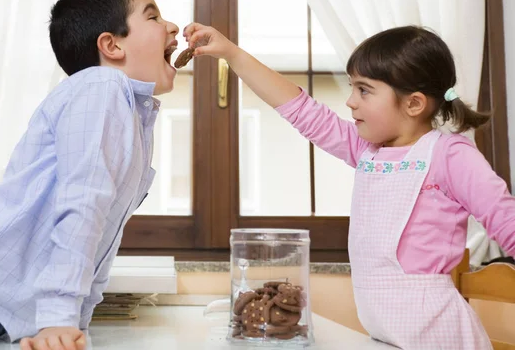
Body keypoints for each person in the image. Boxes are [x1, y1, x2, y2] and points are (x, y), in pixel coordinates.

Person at [183, 22, 515, 349]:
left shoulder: (449, 155)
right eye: (352, 88)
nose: (351, 101)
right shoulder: (367, 150)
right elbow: (300, 110)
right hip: (387, 337)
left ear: (414, 103)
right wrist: (231, 53)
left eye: (364, 90)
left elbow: (506, 219)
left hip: (440, 337)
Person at [0, 0, 179, 350]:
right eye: (153, 17)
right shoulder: (102, 87)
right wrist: (59, 317)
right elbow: (83, 202)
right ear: (112, 44)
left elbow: (103, 230)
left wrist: (73, 324)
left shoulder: (129, 112)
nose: (172, 27)